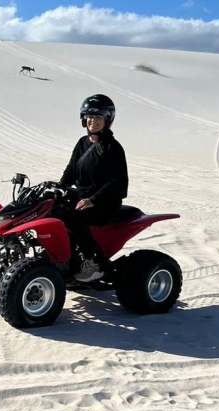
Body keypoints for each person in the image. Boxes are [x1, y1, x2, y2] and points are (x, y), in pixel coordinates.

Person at [58, 94, 128, 282]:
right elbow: (71, 170)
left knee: (72, 218)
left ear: (107, 119)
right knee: (52, 210)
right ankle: (60, 258)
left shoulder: (113, 148)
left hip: (105, 202)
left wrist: (92, 200)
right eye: (89, 116)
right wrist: (59, 188)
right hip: (81, 196)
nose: (92, 121)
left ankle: (91, 261)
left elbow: (118, 183)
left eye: (98, 117)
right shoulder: (82, 143)